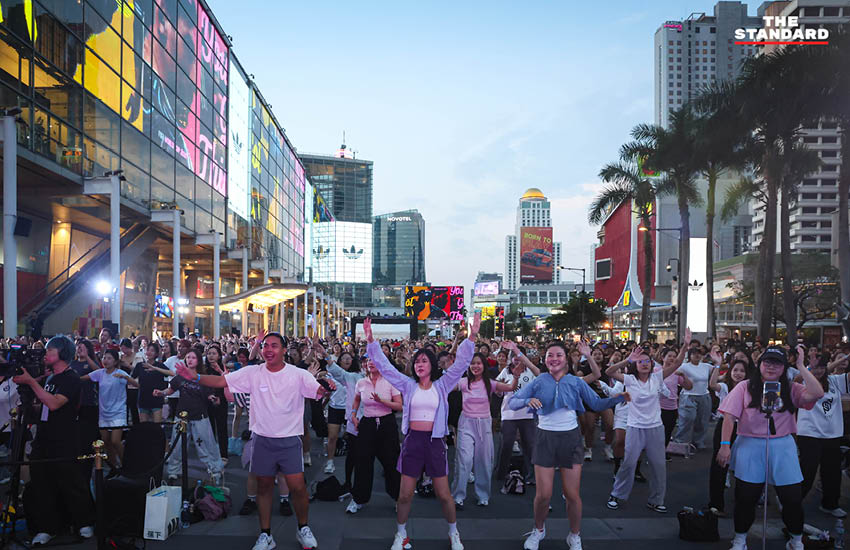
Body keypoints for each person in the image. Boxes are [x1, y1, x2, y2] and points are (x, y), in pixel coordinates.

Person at [176, 333, 335, 550]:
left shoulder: (298, 374)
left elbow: (317, 390)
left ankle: (303, 528)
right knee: (264, 487)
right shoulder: (253, 372)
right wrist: (194, 377)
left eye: (275, 346)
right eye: (265, 345)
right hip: (262, 440)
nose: (269, 349)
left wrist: (326, 388)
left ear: (284, 349)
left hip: (289, 440)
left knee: (298, 488)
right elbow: (222, 381)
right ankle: (266, 535)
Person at [364, 315, 478, 550]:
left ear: (432, 365)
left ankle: (453, 532)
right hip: (413, 441)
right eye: (417, 361)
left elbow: (461, 364)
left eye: (424, 361)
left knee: (444, 495)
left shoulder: (443, 384)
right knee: (405, 495)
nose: (419, 364)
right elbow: (385, 367)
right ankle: (401, 534)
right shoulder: (407, 384)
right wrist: (370, 340)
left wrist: (472, 336)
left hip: (435, 442)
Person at [510, 341, 628, 550]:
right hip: (545, 439)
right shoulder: (539, 381)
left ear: (566, 359)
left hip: (571, 439)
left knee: (572, 495)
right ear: (545, 360)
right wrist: (526, 401)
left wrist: (617, 399)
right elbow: (514, 401)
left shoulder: (576, 381)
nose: (553, 359)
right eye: (550, 355)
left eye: (558, 355)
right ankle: (538, 530)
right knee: (543, 495)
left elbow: (597, 403)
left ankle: (574, 535)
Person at [716, 345, 824, 550]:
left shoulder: (791, 388)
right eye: (767, 362)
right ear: (759, 364)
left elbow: (817, 393)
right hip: (750, 443)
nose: (771, 367)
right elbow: (729, 416)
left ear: (784, 367)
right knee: (746, 497)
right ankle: (739, 540)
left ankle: (796, 540)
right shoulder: (745, 387)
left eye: (777, 363)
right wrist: (724, 445)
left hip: (782, 445)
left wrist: (801, 365)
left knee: (791, 498)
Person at [14, 336, 95, 545]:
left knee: (71, 482)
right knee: (42, 483)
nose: (46, 355)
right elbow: (44, 407)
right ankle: (47, 527)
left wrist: (31, 382)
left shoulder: (71, 378)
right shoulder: (49, 379)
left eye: (50, 351)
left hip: (64, 438)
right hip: (44, 437)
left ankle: (83, 522)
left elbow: (54, 404)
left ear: (62, 354)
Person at [604, 338, 688, 513]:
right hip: (635, 427)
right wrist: (628, 359)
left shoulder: (657, 377)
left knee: (659, 465)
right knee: (629, 463)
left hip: (655, 428)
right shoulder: (630, 379)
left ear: (651, 364)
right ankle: (617, 494)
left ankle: (656, 500)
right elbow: (609, 371)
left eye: (647, 361)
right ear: (636, 364)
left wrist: (685, 344)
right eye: (640, 362)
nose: (644, 364)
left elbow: (678, 362)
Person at [452, 352, 517, 509]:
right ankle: (458, 496)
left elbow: (511, 387)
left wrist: (516, 375)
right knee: (464, 460)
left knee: (484, 461)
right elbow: (444, 387)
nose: (475, 366)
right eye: (472, 363)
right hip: (466, 422)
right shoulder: (463, 382)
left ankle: (482, 495)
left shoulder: (490, 383)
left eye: (479, 363)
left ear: (484, 366)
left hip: (484, 424)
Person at [157, 349, 225, 485]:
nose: (190, 360)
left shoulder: (202, 376)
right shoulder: (180, 376)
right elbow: (170, 390)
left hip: (200, 416)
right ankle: (174, 471)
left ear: (199, 360)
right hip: (181, 416)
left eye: (193, 357)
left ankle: (215, 470)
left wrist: (213, 399)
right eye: (188, 357)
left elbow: (209, 394)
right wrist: (161, 393)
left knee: (206, 445)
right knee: (177, 446)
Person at [795, 351, 849, 518]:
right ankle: (791, 502)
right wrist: (807, 366)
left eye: (822, 367)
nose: (818, 371)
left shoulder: (835, 381)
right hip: (808, 432)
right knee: (807, 470)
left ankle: (830, 504)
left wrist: (842, 360)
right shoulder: (804, 380)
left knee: (832, 471)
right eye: (815, 367)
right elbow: (795, 380)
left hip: (832, 434)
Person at [346, 352, 403, 513]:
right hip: (367, 423)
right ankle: (358, 499)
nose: (371, 363)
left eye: (375, 360)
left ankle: (398, 497)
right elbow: (356, 399)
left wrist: (382, 401)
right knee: (362, 462)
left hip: (387, 423)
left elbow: (399, 406)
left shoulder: (390, 382)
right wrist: (353, 414)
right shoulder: (361, 382)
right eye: (368, 360)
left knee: (392, 462)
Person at [83, 349, 139, 469]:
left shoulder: (120, 373)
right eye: (104, 358)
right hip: (104, 413)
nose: (105, 360)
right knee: (106, 441)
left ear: (115, 361)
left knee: (115, 441)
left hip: (118, 412)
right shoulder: (100, 373)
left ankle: (127, 465)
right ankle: (114, 466)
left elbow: (136, 385)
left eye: (109, 358)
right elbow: (82, 378)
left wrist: (126, 377)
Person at [495, 341, 540, 485]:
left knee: (530, 446)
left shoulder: (531, 372)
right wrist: (498, 388)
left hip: (528, 414)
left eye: (518, 355)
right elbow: (497, 391)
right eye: (513, 355)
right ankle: (501, 474)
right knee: (506, 444)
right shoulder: (505, 371)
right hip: (509, 414)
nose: (516, 358)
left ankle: (530, 476)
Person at [707, 357, 748, 516]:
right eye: (735, 370)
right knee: (719, 465)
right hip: (724, 426)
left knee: (742, 464)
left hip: (744, 428)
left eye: (742, 371)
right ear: (730, 372)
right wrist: (717, 364)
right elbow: (712, 384)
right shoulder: (725, 387)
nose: (738, 373)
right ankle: (716, 504)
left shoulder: (750, 388)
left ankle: (743, 503)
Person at [671, 346, 715, 451]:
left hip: (704, 395)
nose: (697, 355)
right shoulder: (684, 366)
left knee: (702, 420)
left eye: (699, 353)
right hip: (688, 395)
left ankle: (699, 441)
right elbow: (674, 371)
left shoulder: (706, 366)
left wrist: (717, 363)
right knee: (687, 419)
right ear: (689, 356)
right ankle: (681, 441)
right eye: (694, 353)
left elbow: (717, 371)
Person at [324, 350, 357, 474]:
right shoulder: (332, 374)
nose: (347, 360)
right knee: (332, 437)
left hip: (351, 409)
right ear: (339, 361)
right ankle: (330, 461)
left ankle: (354, 462)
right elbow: (323, 383)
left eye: (349, 358)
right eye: (344, 358)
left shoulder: (356, 375)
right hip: (335, 408)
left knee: (353, 438)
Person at [131, 342, 170, 423]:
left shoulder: (159, 365)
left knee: (156, 427)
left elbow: (171, 373)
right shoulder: (139, 365)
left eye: (152, 351)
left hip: (156, 400)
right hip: (143, 399)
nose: (149, 352)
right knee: (144, 428)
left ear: (156, 353)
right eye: (148, 350)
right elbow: (132, 379)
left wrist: (154, 368)